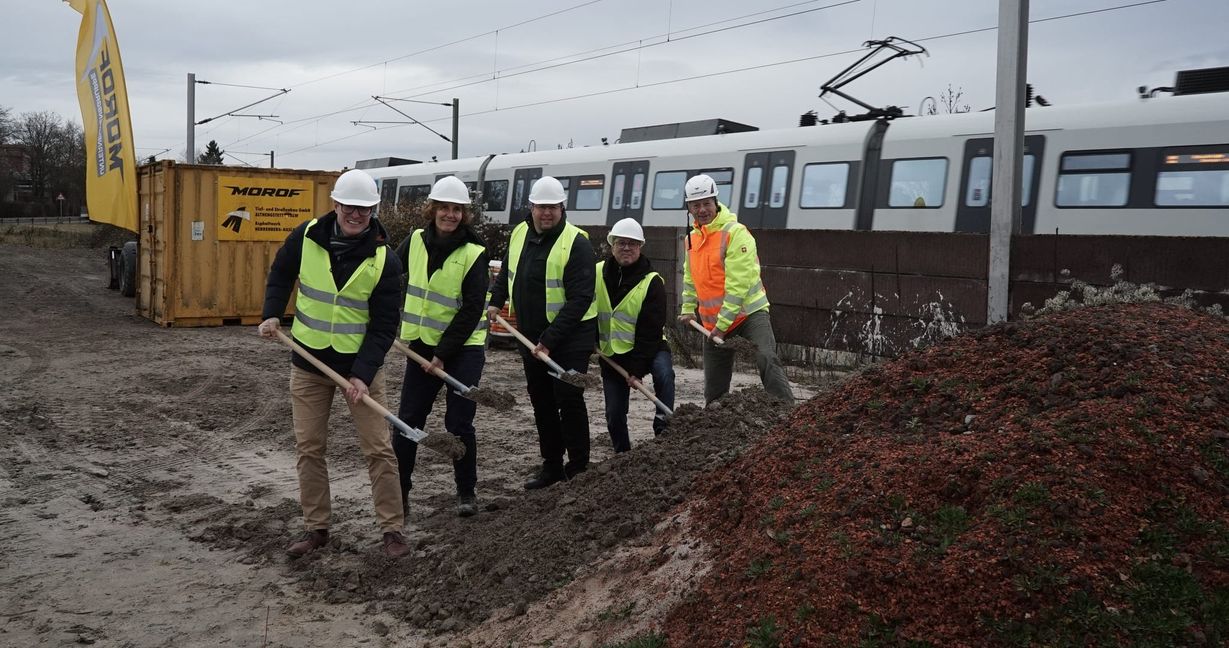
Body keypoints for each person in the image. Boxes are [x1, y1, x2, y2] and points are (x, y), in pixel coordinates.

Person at [257, 168, 410, 559]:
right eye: (349, 206)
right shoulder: (306, 236)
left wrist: (361, 374)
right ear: (336, 204)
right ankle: (316, 528)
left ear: (373, 210)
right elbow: (281, 273)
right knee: (309, 447)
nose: (355, 214)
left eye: (364, 209)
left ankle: (392, 530)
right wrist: (273, 312)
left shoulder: (384, 261)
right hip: (309, 365)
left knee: (378, 449)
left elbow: (384, 326)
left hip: (361, 370)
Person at [487, 176, 597, 489]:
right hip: (531, 335)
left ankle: (578, 469)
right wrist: (496, 301)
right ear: (531, 208)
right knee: (542, 401)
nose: (546, 213)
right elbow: (507, 271)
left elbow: (579, 300)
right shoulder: (520, 232)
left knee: (569, 398)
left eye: (552, 207)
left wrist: (550, 341)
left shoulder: (577, 243)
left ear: (562, 208)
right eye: (540, 207)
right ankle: (551, 466)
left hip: (570, 336)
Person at [393, 176, 489, 519]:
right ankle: (400, 494)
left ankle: (466, 491)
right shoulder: (415, 241)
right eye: (444, 208)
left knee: (459, 423)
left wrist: (442, 354)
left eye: (457, 209)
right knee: (407, 422)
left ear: (464, 214)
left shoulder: (473, 253)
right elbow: (389, 274)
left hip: (463, 349)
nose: (450, 215)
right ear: (432, 210)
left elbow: (471, 309)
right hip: (421, 344)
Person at [678, 173, 795, 406]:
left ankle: (786, 412)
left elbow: (737, 286)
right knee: (714, 386)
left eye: (706, 204)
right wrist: (689, 308)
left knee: (766, 357)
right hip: (714, 323)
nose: (702, 210)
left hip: (748, 314)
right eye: (696, 205)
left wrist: (722, 326)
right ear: (689, 208)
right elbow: (691, 277)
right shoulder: (691, 239)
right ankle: (716, 422)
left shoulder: (735, 233)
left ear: (716, 203)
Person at [595, 217, 675, 452]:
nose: (626, 248)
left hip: (649, 348)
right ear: (612, 245)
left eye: (632, 243)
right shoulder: (597, 273)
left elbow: (650, 331)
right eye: (621, 243)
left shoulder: (652, 282)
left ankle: (663, 428)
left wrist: (637, 371)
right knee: (614, 414)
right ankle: (623, 454)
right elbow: (586, 310)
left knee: (664, 375)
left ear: (640, 246)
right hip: (612, 354)